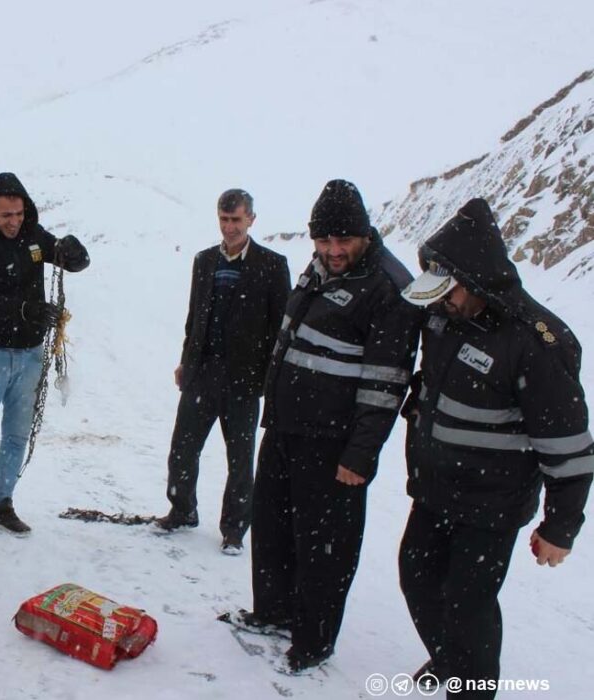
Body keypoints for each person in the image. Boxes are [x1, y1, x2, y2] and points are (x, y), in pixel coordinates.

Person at [397, 198, 593, 699]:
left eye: (450, 291)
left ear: (477, 279)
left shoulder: (535, 342)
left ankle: (472, 688)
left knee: (469, 604)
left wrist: (560, 526)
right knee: (416, 576)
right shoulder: (444, 317)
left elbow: (568, 446)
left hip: (491, 505)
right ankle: (451, 662)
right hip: (437, 490)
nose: (442, 301)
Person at [242, 179, 421, 672]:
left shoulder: (388, 288)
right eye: (323, 240)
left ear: (363, 235)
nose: (333, 249)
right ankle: (273, 611)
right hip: (287, 426)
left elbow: (386, 384)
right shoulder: (320, 267)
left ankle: (314, 639)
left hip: (333, 442)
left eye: (342, 240)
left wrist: (360, 455)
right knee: (275, 526)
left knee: (324, 546)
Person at [0, 172, 90, 538]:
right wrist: (27, 310)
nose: (14, 222)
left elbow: (72, 261)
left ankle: (2, 503)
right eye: (6, 215)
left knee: (16, 436)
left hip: (29, 357)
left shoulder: (35, 240)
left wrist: (75, 252)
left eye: (19, 214)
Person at [154, 189, 290, 554]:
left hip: (244, 381)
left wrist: (268, 379)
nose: (229, 227)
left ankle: (234, 529)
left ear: (251, 220)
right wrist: (186, 361)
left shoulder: (272, 265)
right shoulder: (204, 261)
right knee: (182, 449)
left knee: (240, 459)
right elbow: (194, 318)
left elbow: (281, 329)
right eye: (224, 220)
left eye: (236, 220)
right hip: (202, 373)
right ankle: (182, 510)